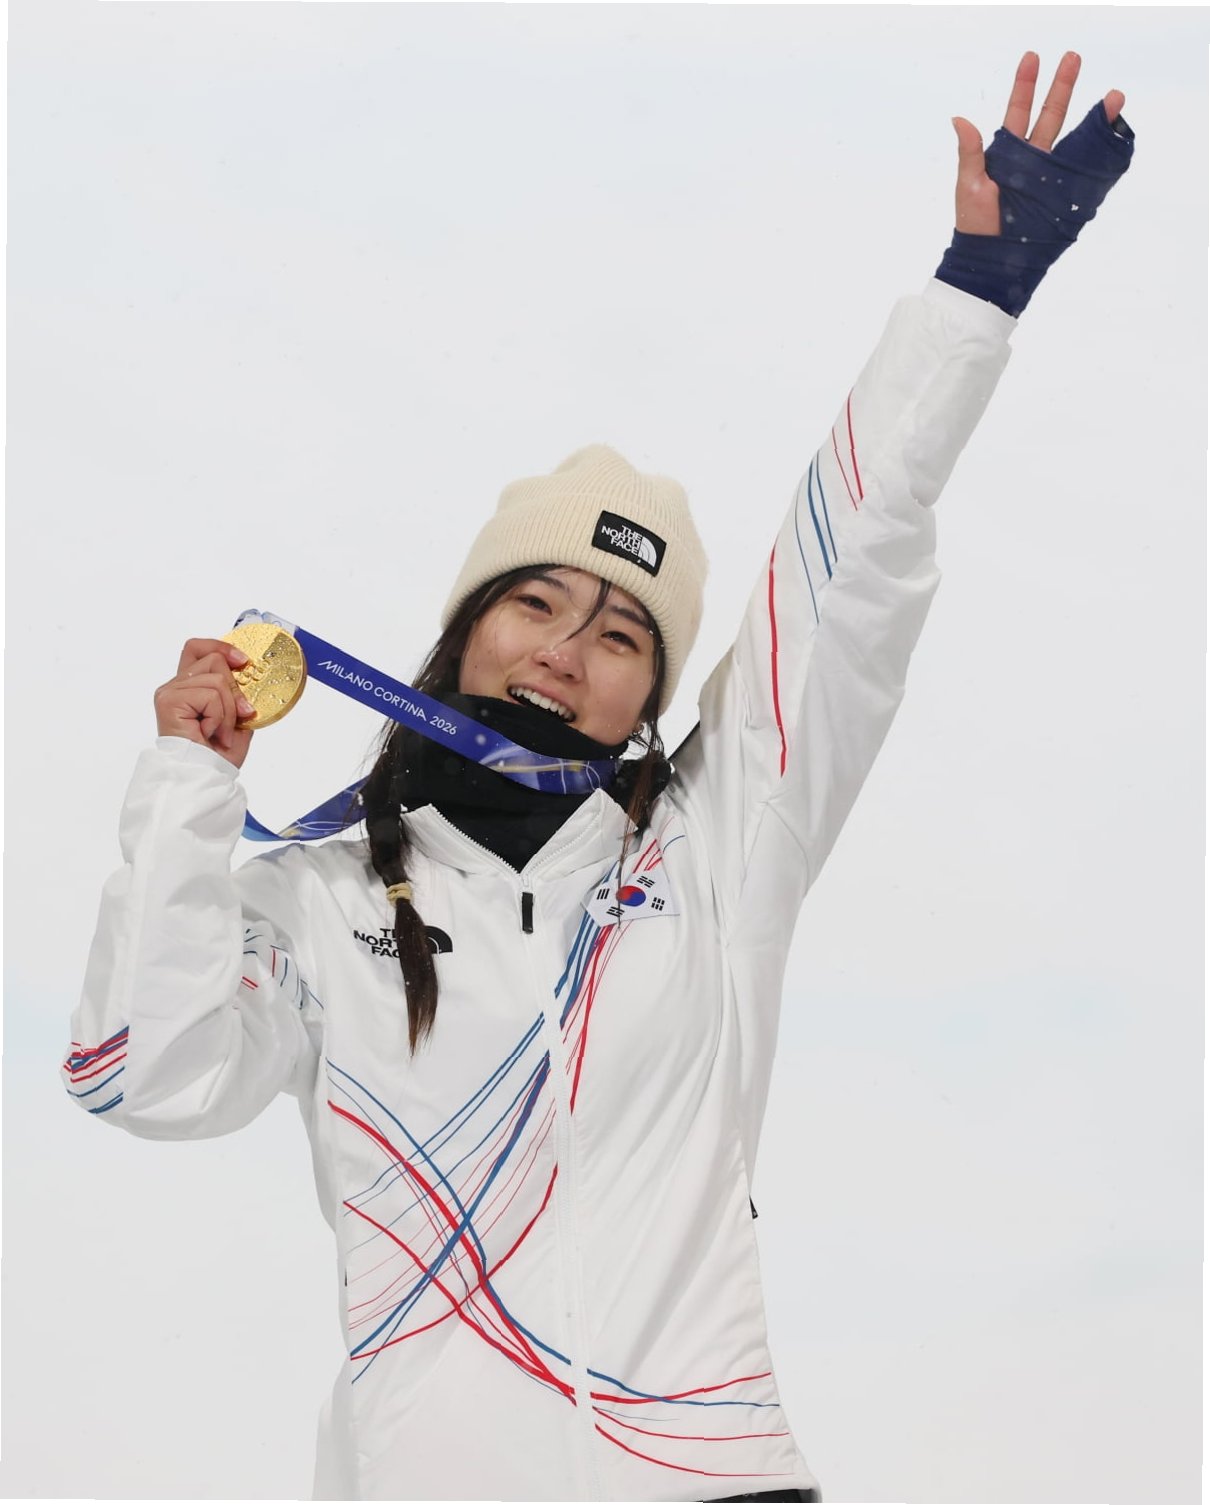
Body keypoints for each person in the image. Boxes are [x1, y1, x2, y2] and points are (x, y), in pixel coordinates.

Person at [63, 52, 1132, 1504]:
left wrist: (973, 295)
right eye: (536, 602)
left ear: (648, 697)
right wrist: (188, 794)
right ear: (462, 631)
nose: (567, 653)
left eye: (622, 633)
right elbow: (143, 1074)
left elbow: (849, 575)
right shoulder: (315, 902)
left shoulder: (714, 847)